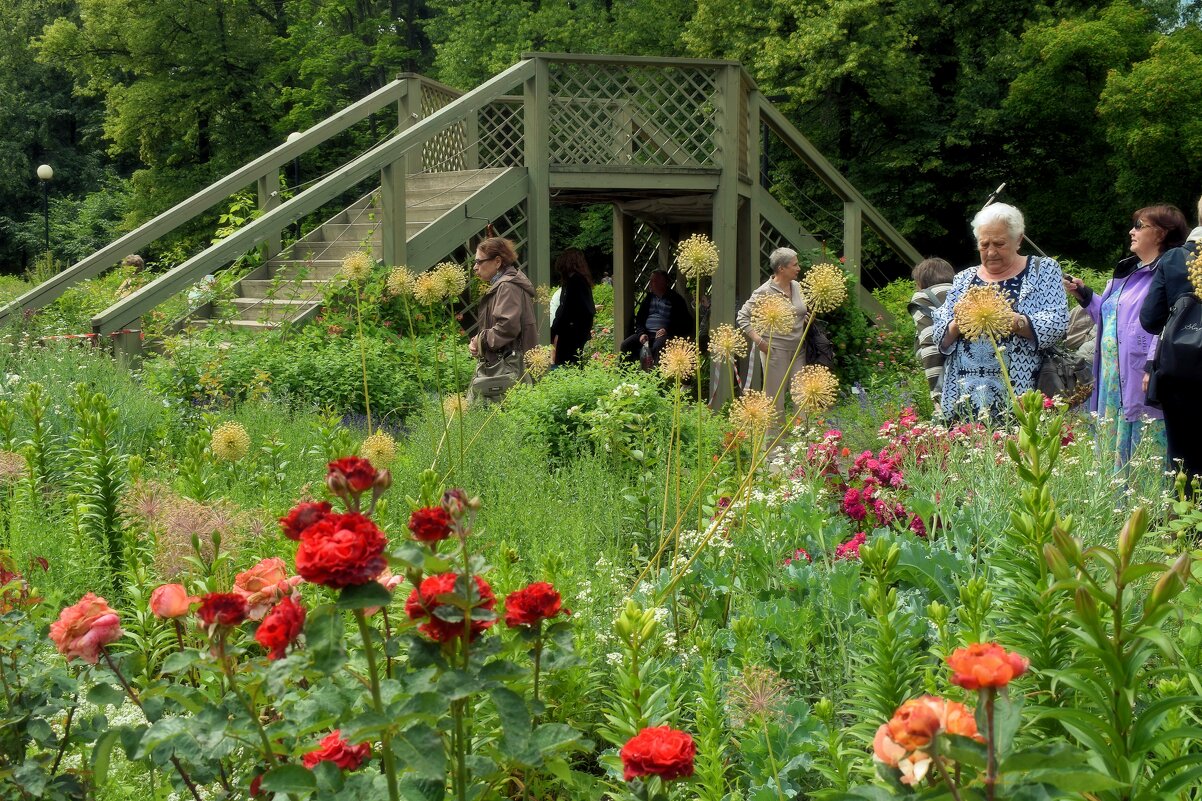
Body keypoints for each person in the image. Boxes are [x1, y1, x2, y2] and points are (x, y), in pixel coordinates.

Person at [1065, 205, 1186, 469]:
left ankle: (1149, 510)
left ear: (1162, 233)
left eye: (1140, 226)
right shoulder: (1128, 272)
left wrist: (1153, 365)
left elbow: (1171, 323)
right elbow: (1114, 323)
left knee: (1145, 459)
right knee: (1112, 464)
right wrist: (1085, 296)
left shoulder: (1167, 273)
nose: (1132, 231)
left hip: (1140, 379)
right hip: (1112, 382)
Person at [932, 203, 1068, 420]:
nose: (991, 252)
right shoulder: (963, 279)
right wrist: (958, 324)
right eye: (984, 245)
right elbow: (938, 332)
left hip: (1023, 393)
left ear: (1019, 240)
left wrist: (1016, 322)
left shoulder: (1043, 269)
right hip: (965, 397)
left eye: (999, 243)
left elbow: (1058, 322)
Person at [1140, 198, 1202, 479]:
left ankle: (1187, 520)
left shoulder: (1176, 258)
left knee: (1184, 462)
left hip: (1182, 372)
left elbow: (1150, 319)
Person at [737, 247, 809, 415]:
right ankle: (774, 442)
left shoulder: (797, 286)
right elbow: (742, 317)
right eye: (795, 265)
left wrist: (803, 317)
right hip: (775, 351)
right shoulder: (764, 291)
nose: (798, 268)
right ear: (781, 268)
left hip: (799, 349)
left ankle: (806, 439)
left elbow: (796, 310)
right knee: (775, 401)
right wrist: (760, 341)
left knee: (803, 396)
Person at [467, 237, 537, 402]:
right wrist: (478, 341)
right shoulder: (504, 285)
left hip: (507, 367)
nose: (475, 267)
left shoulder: (507, 287)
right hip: (505, 367)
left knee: (491, 416)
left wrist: (480, 341)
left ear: (497, 261)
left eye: (479, 261)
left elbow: (507, 328)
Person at [907, 257, 955, 410]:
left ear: (920, 282)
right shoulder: (965, 292)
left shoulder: (923, 298)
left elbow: (930, 346)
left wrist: (936, 393)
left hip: (949, 380)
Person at [620, 270, 694, 366]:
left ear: (663, 282)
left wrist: (667, 330)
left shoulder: (675, 299)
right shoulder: (648, 299)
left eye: (653, 281)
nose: (650, 283)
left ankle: (656, 377)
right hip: (646, 333)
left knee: (658, 346)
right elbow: (640, 319)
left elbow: (685, 322)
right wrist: (641, 333)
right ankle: (623, 374)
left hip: (665, 335)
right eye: (650, 280)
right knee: (626, 344)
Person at [549, 248, 595, 365]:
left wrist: (554, 330)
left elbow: (565, 310)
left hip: (571, 333)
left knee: (566, 364)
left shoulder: (575, 282)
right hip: (575, 331)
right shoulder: (579, 281)